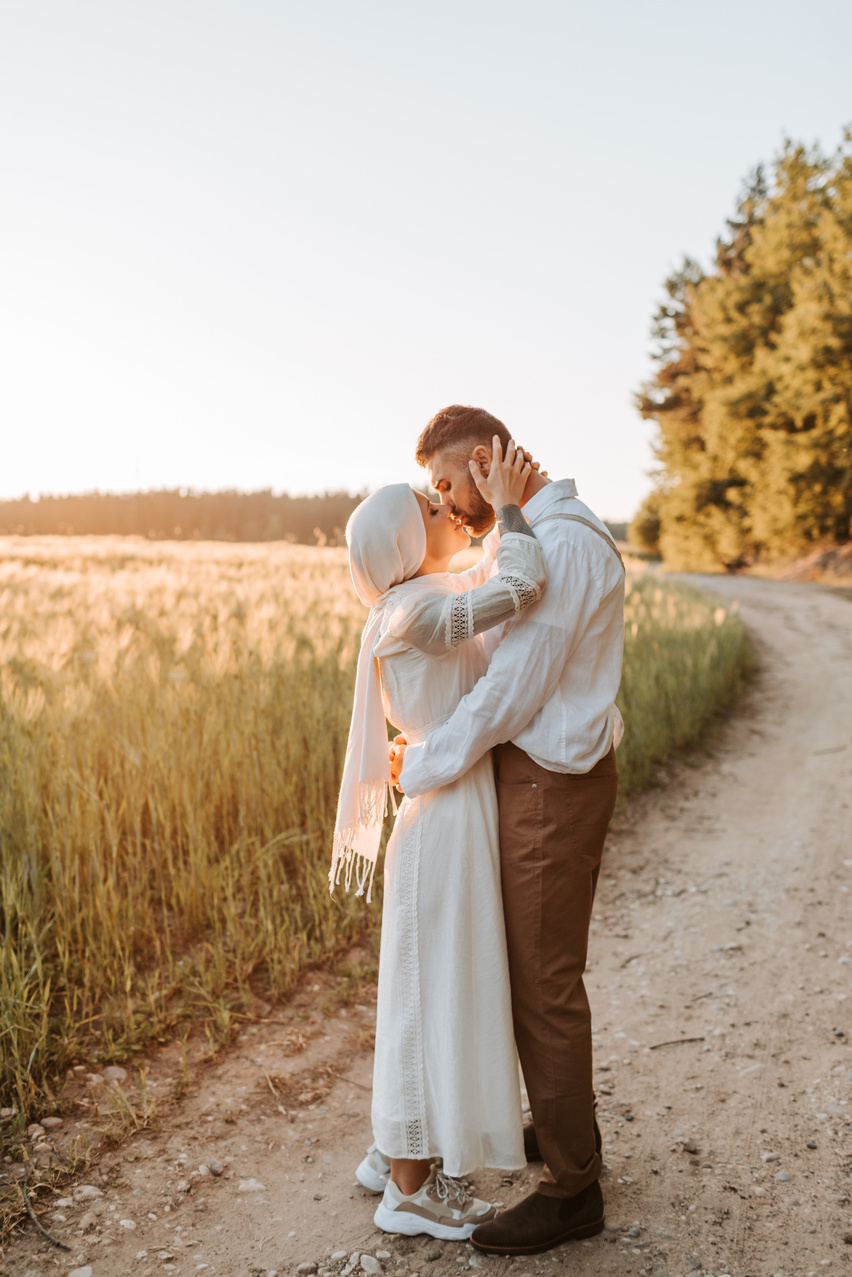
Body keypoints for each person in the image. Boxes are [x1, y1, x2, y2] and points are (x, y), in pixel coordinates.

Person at [390, 404, 625, 1257]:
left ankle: (573, 1189)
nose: (445, 503)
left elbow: (506, 696)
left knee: (543, 987)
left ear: (486, 460)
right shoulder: (537, 530)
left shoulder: (560, 544)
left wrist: (419, 765)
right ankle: (566, 1133)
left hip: (545, 789)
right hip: (549, 778)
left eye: (448, 482)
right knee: (538, 973)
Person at [331, 439, 548, 1241]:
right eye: (427, 510)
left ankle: (393, 1151)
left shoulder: (417, 596)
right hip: (443, 815)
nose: (444, 508)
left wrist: (494, 517)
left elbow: (488, 573)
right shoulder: (414, 611)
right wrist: (517, 505)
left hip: (447, 802)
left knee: (425, 988)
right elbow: (522, 582)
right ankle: (411, 1190)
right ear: (400, 546)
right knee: (429, 996)